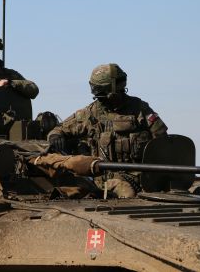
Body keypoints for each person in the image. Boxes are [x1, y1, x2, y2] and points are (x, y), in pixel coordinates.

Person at [47, 63, 167, 197]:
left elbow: (163, 142)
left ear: (114, 89)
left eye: (102, 93)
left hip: (138, 181)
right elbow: (59, 129)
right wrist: (55, 136)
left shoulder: (139, 109)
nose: (99, 98)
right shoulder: (90, 113)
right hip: (101, 184)